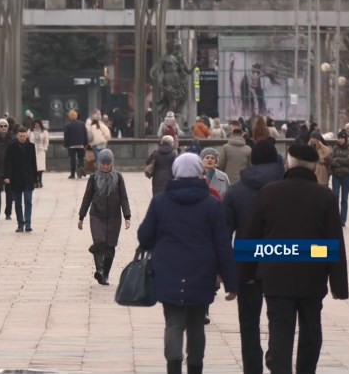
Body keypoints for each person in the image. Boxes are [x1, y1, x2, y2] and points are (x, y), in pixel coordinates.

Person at [239, 144, 348, 374]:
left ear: (289, 163)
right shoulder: (325, 197)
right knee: (310, 331)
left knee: (280, 332)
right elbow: (333, 245)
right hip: (312, 278)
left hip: (276, 278)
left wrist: (246, 274)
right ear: (314, 166)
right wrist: (338, 284)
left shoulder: (269, 192)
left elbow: (251, 236)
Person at [137, 153, 238, 374]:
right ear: (200, 172)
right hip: (201, 272)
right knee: (196, 325)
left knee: (173, 322)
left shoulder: (161, 201)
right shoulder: (211, 204)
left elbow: (144, 236)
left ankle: (173, 367)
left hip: (167, 271)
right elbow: (223, 245)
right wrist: (231, 282)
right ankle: (195, 368)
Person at [222, 139, 285, 374]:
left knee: (249, 322)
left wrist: (223, 270)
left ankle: (252, 368)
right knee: (280, 319)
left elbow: (223, 235)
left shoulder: (236, 191)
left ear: (252, 160)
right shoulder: (287, 189)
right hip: (282, 263)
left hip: (246, 263)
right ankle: (276, 358)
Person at [77, 149, 131, 285]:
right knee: (99, 242)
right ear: (99, 163)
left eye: (108, 164)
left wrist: (127, 216)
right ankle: (99, 270)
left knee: (110, 245)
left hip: (114, 217)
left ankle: (105, 274)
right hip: (97, 215)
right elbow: (87, 197)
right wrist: (81, 216)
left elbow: (124, 197)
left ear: (111, 163)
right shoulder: (93, 178)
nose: (105, 166)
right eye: (103, 164)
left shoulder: (118, 177)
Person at [4, 127, 38, 232]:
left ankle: (28, 223)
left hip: (28, 178)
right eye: (20, 136)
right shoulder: (11, 146)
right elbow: (7, 162)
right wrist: (6, 176)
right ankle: (20, 223)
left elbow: (34, 163)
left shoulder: (31, 146)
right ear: (17, 136)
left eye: (24, 136)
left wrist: (35, 179)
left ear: (26, 136)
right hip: (15, 178)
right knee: (18, 203)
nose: (22, 138)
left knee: (28, 201)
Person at [330, 130, 349, 226]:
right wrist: (335, 162)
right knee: (335, 196)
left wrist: (337, 159)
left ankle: (343, 219)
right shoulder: (335, 148)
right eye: (339, 138)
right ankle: (335, 217)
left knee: (344, 198)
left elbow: (348, 161)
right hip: (336, 175)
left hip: (346, 176)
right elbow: (330, 159)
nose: (340, 140)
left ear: (345, 139)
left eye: (342, 138)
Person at [64, 110, 88, 179]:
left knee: (72, 159)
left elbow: (66, 136)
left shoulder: (68, 125)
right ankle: (80, 169)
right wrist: (85, 143)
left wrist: (65, 144)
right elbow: (85, 134)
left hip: (72, 145)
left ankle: (72, 174)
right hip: (80, 144)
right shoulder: (82, 124)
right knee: (81, 158)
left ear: (70, 117)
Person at [30, 120, 49, 188]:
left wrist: (44, 148)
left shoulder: (44, 132)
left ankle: (40, 181)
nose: (36, 126)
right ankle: (35, 181)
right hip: (32, 150)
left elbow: (46, 141)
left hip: (40, 150)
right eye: (35, 124)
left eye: (38, 124)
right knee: (34, 167)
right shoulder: (30, 131)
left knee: (40, 167)